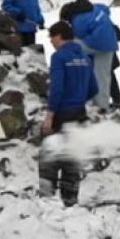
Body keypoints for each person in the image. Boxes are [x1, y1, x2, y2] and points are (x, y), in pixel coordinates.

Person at [39, 21, 98, 206]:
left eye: (51, 37)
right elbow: (93, 88)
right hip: (79, 114)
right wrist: (78, 97)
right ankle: (70, 200)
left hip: (62, 113)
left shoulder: (59, 57)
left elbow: (57, 88)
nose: (50, 41)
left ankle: (47, 201)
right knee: (72, 157)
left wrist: (50, 115)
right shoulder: (85, 57)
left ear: (59, 36)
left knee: (50, 155)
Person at [60, 0, 119, 112]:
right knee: (102, 76)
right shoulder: (95, 7)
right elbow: (106, 9)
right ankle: (102, 105)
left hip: (98, 44)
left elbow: (79, 36)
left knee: (70, 44)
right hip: (111, 43)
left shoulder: (77, 21)